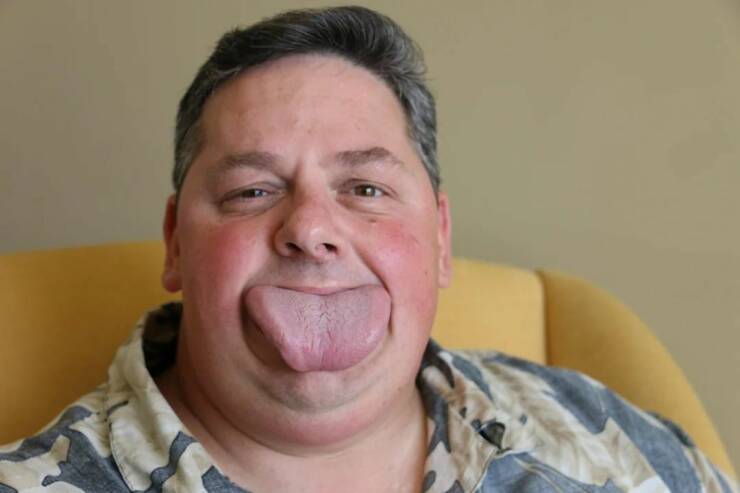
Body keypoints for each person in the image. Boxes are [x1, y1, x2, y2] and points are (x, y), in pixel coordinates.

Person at [0, 6, 736, 493]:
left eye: (365, 188)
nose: (309, 228)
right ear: (175, 245)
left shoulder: (603, 428)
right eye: (252, 190)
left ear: (440, 239)